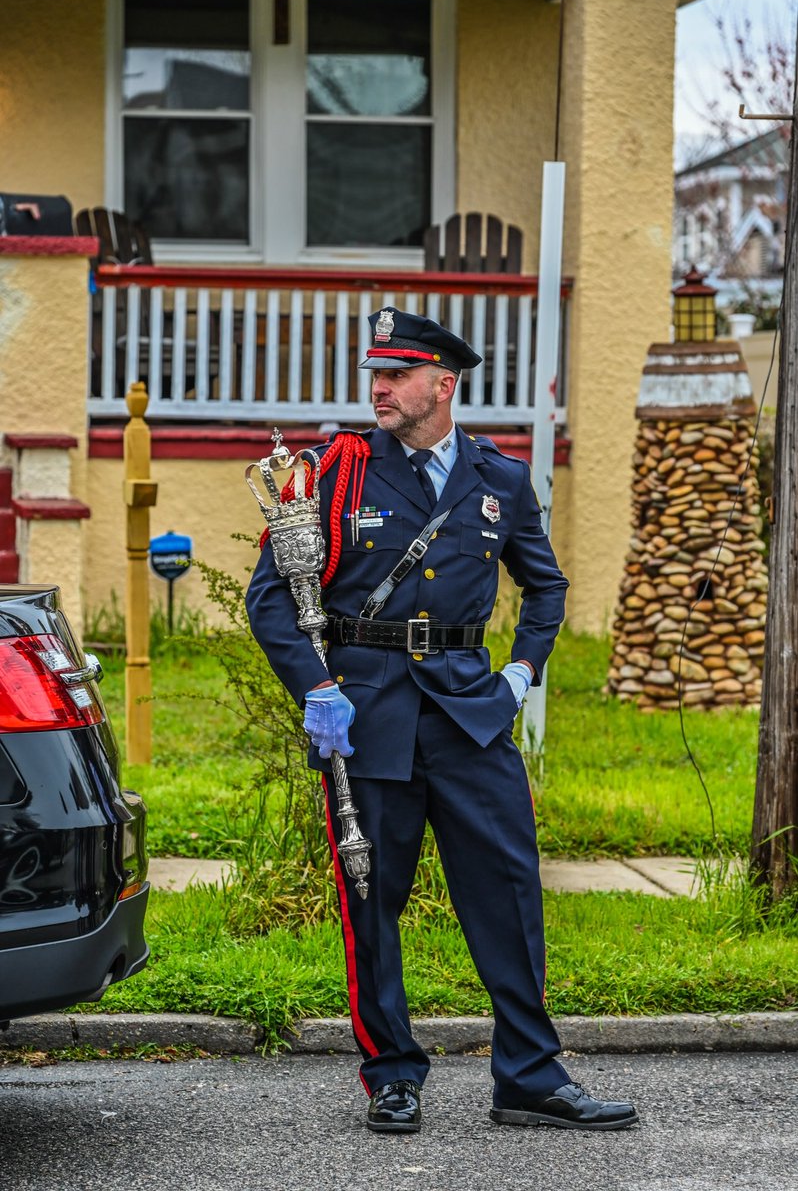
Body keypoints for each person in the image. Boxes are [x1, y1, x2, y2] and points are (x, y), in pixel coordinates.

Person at [246, 307, 637, 1134]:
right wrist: (317, 687)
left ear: (442, 384)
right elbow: (271, 603)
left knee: (507, 894)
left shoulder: (498, 479)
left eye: (395, 376)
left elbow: (547, 589)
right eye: (374, 376)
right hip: (365, 721)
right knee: (372, 903)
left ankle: (529, 1075)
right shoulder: (333, 474)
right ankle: (392, 1073)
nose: (379, 389)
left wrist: (518, 679)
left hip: (471, 721)